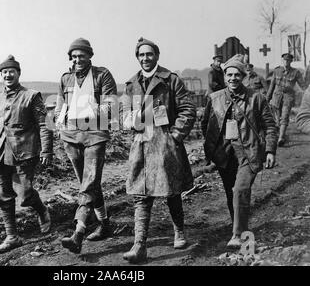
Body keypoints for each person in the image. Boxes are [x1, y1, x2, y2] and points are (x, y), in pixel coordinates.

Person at [120, 37, 196, 263]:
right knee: (140, 195)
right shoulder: (131, 84)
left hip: (165, 145)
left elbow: (187, 109)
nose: (145, 58)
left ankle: (179, 230)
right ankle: (139, 244)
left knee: (171, 190)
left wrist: (175, 135)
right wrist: (131, 121)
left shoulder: (171, 80)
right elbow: (123, 114)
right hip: (141, 145)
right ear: (137, 58)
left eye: (149, 54)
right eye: (141, 55)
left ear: (157, 56)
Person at [201, 54, 278, 249]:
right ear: (224, 76)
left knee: (240, 189)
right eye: (229, 74)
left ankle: (238, 234)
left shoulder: (256, 98)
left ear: (243, 76)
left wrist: (269, 150)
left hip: (249, 151)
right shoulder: (214, 98)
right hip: (224, 153)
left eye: (237, 74)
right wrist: (211, 150)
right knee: (230, 192)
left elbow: (270, 126)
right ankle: (239, 226)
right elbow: (206, 125)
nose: (233, 78)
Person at [0, 55, 53, 254]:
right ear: (1, 75)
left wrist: (46, 149)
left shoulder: (31, 96)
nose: (8, 75)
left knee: (25, 194)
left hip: (24, 151)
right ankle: (12, 236)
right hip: (0, 152)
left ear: (18, 73)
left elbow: (44, 124)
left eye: (11, 71)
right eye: (4, 72)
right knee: (2, 193)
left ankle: (42, 211)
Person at [55, 38, 118, 254]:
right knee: (88, 183)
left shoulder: (102, 75)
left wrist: (90, 114)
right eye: (74, 56)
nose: (78, 59)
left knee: (89, 182)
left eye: (82, 55)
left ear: (90, 56)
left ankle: (79, 230)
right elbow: (61, 104)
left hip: (94, 134)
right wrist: (58, 120)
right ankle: (105, 224)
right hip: (71, 136)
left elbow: (111, 104)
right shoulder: (66, 78)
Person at [267, 53, 307, 146]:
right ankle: (280, 135)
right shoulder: (277, 71)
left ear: (291, 61)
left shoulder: (295, 72)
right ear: (282, 60)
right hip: (276, 98)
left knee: (284, 117)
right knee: (277, 120)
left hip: (288, 98)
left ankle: (280, 138)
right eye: (284, 60)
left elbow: (303, 85)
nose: (286, 62)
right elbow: (271, 86)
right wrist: (267, 98)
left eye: (288, 60)